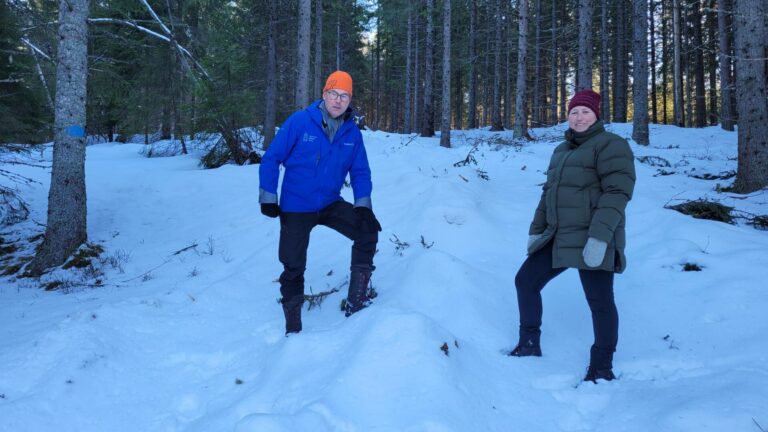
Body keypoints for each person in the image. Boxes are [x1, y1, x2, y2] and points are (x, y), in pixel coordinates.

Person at [509, 89, 636, 383]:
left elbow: (617, 193)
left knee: (600, 301)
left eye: (585, 112)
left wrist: (600, 237)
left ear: (596, 115)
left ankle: (601, 367)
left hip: (594, 236)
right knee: (525, 281)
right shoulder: (561, 151)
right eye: (574, 112)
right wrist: (536, 230)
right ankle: (529, 344)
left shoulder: (610, 145)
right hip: (559, 235)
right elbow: (548, 193)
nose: (579, 118)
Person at [259, 70, 381, 335]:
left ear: (350, 100)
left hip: (329, 203)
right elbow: (272, 158)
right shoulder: (300, 122)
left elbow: (360, 171)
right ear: (324, 94)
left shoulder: (352, 134)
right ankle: (293, 328)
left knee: (368, 231)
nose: (338, 100)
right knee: (293, 265)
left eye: (344, 96)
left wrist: (363, 204)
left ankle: (356, 303)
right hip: (296, 206)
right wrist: (269, 196)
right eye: (333, 94)